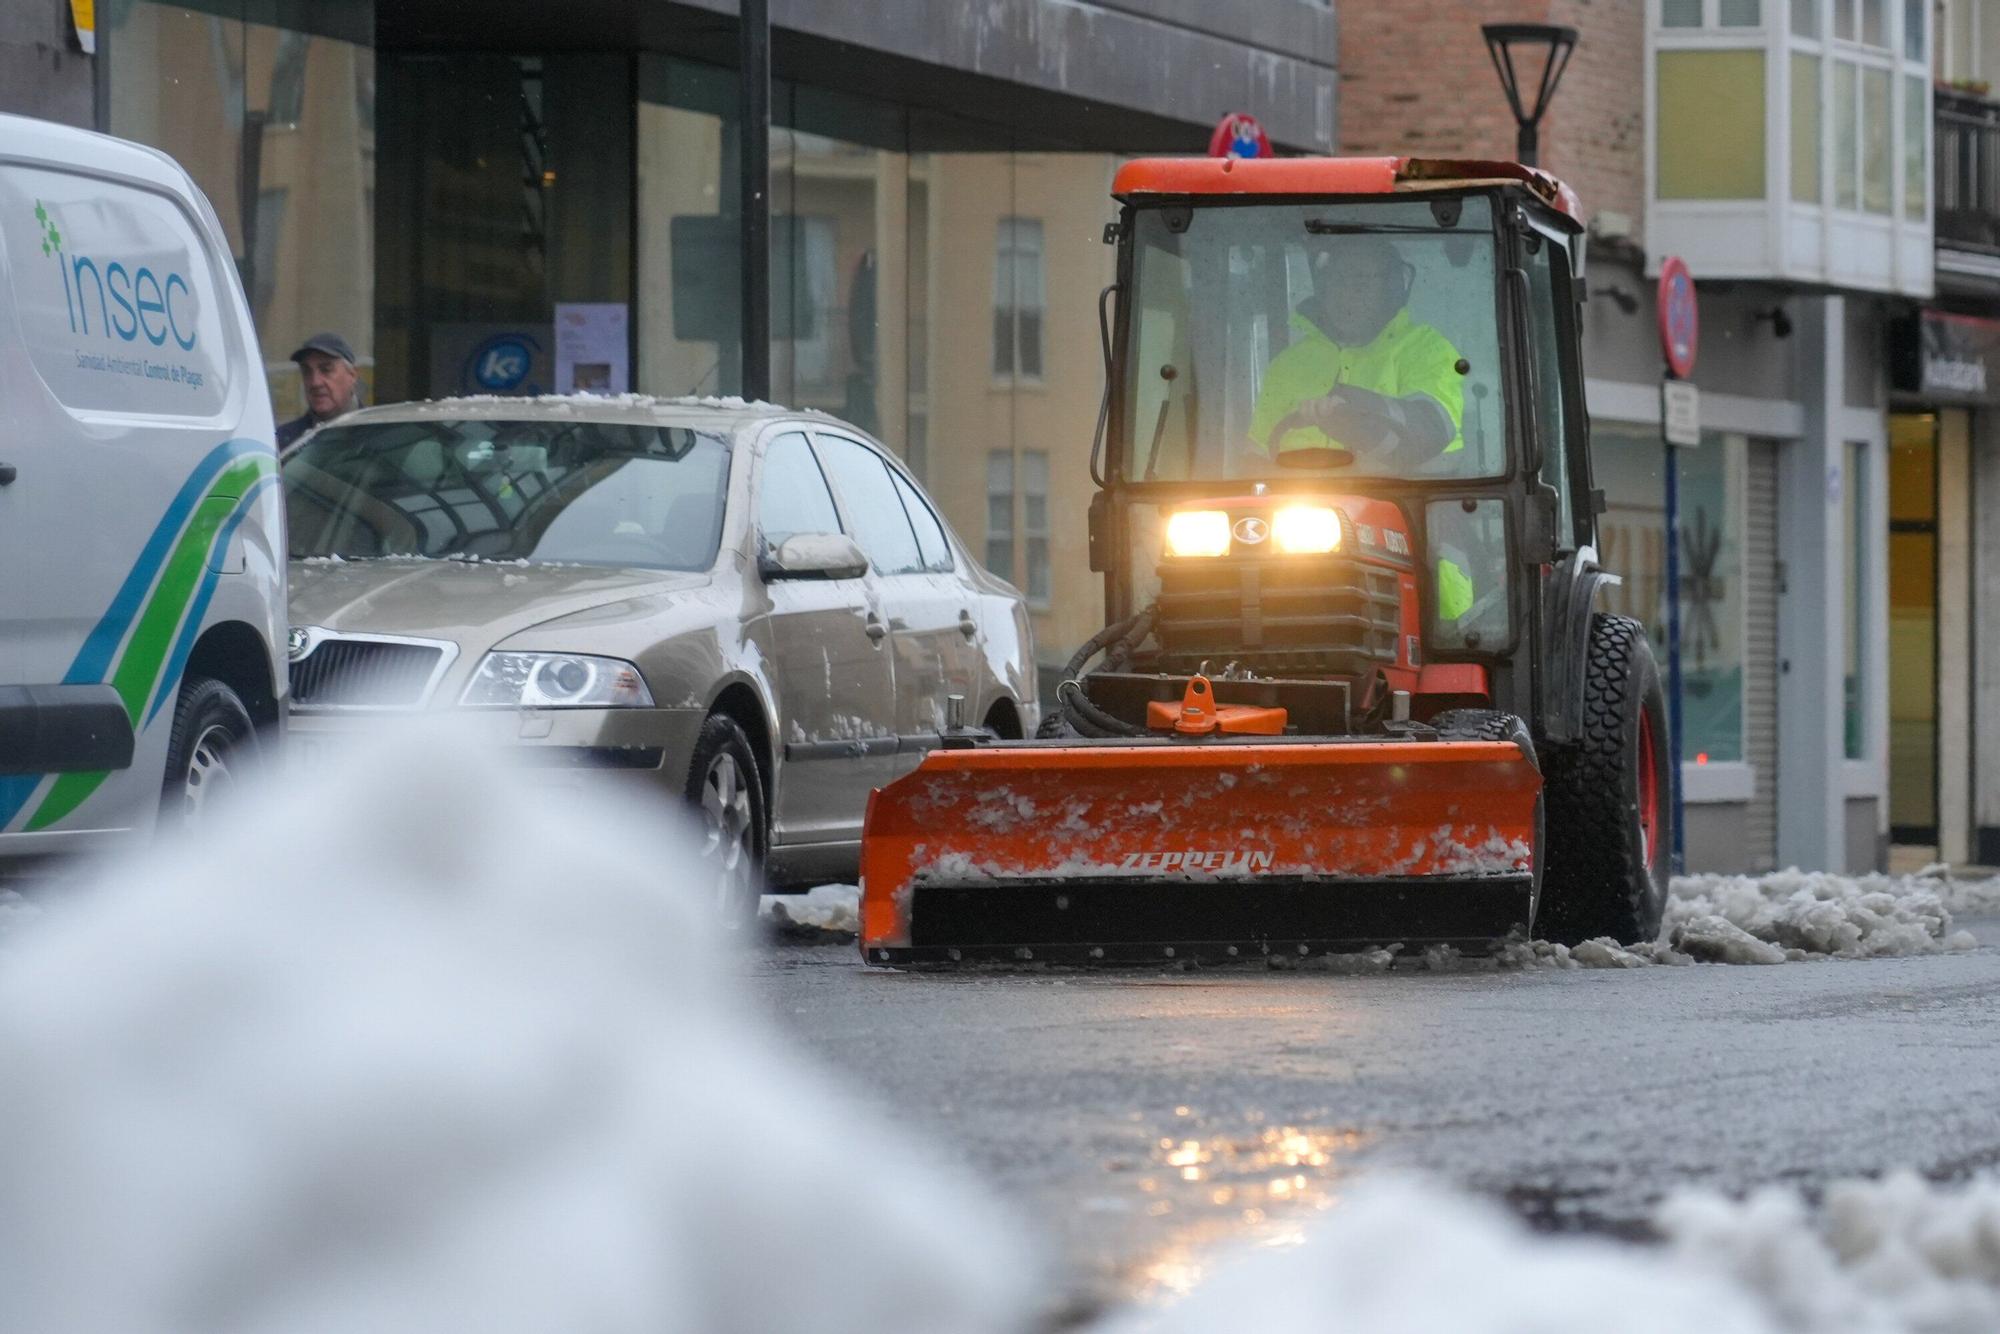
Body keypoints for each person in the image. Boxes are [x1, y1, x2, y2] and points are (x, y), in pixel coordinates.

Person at [1247, 235, 1489, 635]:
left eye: (1363, 281)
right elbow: (1252, 462)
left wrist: (1351, 415)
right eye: (1339, 280)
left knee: (1444, 618)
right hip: (1295, 557)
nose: (1348, 293)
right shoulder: (1288, 367)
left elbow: (1428, 431)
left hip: (1414, 539)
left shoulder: (1428, 352)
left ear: (1392, 288)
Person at [278, 332, 362, 450]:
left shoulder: (380, 434)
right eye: (307, 372)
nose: (315, 382)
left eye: (326, 370)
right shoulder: (282, 442)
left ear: (352, 375)